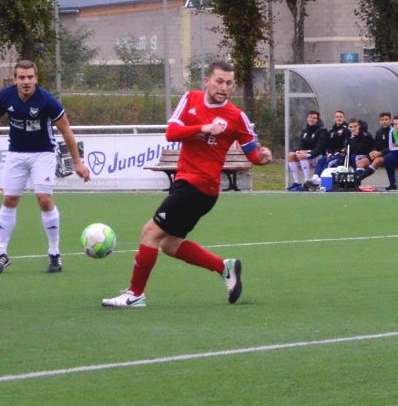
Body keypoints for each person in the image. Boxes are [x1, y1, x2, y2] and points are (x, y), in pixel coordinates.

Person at [101, 61, 272, 308]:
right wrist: (204, 127)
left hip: (200, 187)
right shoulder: (190, 99)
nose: (224, 87)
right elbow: (171, 133)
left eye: (229, 83)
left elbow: (253, 154)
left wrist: (262, 157)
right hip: (185, 184)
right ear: (207, 81)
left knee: (150, 232)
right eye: (219, 81)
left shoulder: (236, 117)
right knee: (169, 244)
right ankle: (223, 267)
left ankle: (135, 294)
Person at [0, 60, 90, 274]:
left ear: (36, 79)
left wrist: (77, 162)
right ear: (15, 79)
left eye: (30, 77)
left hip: (43, 154)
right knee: (9, 199)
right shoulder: (5, 96)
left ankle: (54, 253)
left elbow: (66, 131)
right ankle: (1, 253)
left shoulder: (47, 101)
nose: (26, 82)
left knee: (44, 199)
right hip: (16, 154)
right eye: (22, 77)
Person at [285, 110, 327, 191]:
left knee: (302, 155)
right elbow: (300, 143)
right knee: (290, 155)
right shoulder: (304, 131)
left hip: (318, 157)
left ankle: (306, 183)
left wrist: (308, 153)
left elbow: (320, 148)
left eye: (314, 118)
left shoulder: (322, 131)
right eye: (310, 117)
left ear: (317, 120)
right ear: (307, 118)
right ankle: (296, 182)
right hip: (306, 156)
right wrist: (297, 150)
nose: (311, 119)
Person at [359, 112, 393, 183]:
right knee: (362, 162)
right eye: (382, 120)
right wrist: (373, 152)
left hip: (389, 156)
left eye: (386, 119)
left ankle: (358, 179)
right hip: (378, 155)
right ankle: (357, 181)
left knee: (377, 160)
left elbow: (392, 147)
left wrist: (380, 153)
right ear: (379, 121)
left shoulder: (394, 131)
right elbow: (375, 146)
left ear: (390, 120)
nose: (384, 121)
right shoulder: (378, 132)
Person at [318, 110, 351, 174]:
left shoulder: (347, 129)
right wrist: (329, 152)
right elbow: (328, 144)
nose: (339, 118)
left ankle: (322, 179)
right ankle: (315, 177)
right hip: (332, 153)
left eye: (341, 117)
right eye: (337, 117)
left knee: (329, 162)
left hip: (341, 154)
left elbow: (347, 143)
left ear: (344, 119)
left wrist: (338, 152)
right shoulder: (331, 130)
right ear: (334, 119)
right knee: (321, 160)